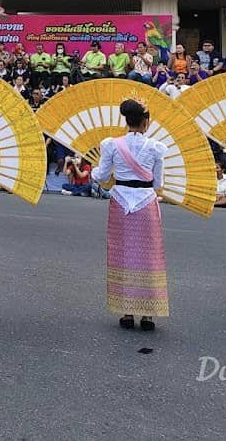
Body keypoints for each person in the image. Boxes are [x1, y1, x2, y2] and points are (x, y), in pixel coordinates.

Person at [90, 99, 169, 331]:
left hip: (121, 201)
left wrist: (94, 171)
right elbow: (157, 183)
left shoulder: (111, 145)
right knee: (149, 256)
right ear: (146, 122)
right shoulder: (156, 148)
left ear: (126, 121)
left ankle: (127, 311)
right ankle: (148, 314)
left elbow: (101, 176)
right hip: (145, 202)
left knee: (123, 254)